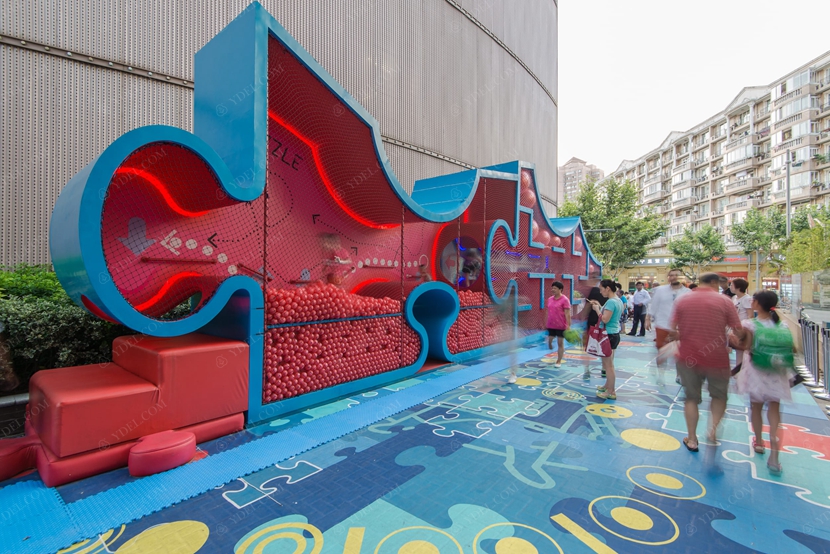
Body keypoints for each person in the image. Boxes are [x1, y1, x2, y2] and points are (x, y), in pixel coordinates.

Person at [670, 272, 747, 453]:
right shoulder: (725, 301)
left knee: (691, 399)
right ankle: (712, 431)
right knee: (719, 396)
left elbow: (672, 330)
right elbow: (738, 330)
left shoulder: (682, 300)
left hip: (688, 357)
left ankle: (692, 439)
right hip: (717, 358)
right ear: (714, 282)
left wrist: (684, 335)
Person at [732, 290, 791, 475]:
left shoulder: (750, 325)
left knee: (756, 407)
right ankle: (775, 456)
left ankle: (758, 441)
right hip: (777, 373)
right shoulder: (783, 326)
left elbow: (745, 346)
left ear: (757, 304)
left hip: (756, 372)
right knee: (775, 411)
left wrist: (732, 339)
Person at [645, 268, 690, 380]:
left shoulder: (688, 293)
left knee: (681, 352)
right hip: (662, 325)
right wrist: (648, 318)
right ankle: (661, 374)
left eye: (676, 275)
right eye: (671, 275)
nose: (673, 277)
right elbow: (653, 305)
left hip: (680, 327)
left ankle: (679, 375)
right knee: (661, 351)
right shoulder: (660, 290)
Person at [592, 280, 624, 400]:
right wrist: (600, 307)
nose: (600, 292)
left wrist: (597, 310)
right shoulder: (618, 300)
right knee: (608, 363)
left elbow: (605, 319)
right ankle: (607, 386)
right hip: (614, 333)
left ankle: (611, 391)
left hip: (608, 335)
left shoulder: (611, 302)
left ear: (608, 288)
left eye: (601, 289)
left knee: (608, 366)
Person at [580, 286, 607, 378]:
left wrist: (583, 318)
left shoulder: (594, 291)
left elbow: (587, 307)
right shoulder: (609, 297)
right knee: (603, 346)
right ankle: (603, 368)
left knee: (588, 346)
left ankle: (587, 368)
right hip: (602, 325)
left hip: (595, 324)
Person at [546, 282, 572, 367]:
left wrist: (568, 325)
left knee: (560, 343)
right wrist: (545, 322)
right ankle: (550, 343)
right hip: (551, 324)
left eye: (555, 288)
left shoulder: (565, 300)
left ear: (560, 289)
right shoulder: (550, 299)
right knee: (550, 338)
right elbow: (547, 311)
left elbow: (567, 313)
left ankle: (558, 361)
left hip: (561, 325)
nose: (553, 290)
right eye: (552, 288)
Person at [730, 278, 753, 374]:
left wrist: (746, 328)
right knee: (738, 350)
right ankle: (738, 371)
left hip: (743, 328)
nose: (730, 287)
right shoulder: (734, 298)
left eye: (732, 285)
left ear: (738, 287)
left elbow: (750, 315)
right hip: (735, 327)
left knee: (743, 351)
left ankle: (742, 372)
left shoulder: (746, 299)